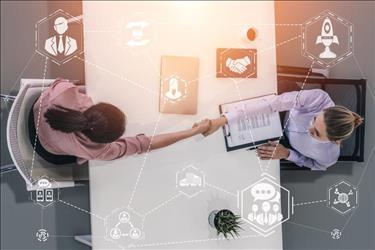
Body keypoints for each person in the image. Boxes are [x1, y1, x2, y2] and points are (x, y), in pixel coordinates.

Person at [33, 78, 210, 164]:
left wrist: (193, 131)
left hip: (35, 113)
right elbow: (145, 144)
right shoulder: (99, 151)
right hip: (46, 149)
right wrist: (192, 132)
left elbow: (62, 83)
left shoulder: (65, 92)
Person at [202, 89, 363, 170]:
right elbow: (274, 103)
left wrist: (287, 154)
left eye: (316, 133)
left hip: (282, 143)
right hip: (282, 111)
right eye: (314, 119)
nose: (309, 128)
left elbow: (316, 165)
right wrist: (224, 119)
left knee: (226, 157)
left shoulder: (329, 156)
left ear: (335, 141)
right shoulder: (319, 99)